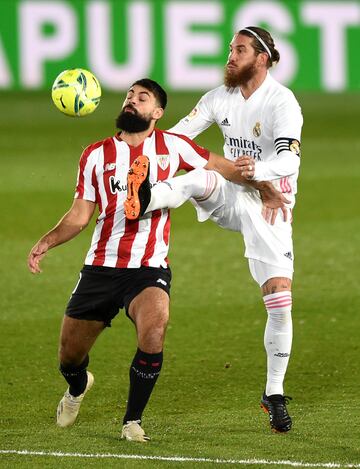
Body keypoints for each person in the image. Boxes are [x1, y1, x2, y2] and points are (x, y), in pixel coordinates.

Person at [27, 78, 285, 442]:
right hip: (101, 267)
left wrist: (264, 187)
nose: (132, 100)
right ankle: (78, 386)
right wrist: (47, 241)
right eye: (130, 95)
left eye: (141, 97)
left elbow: (222, 166)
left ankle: (132, 421)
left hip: (148, 268)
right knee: (69, 358)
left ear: (157, 113)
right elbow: (80, 214)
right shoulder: (96, 154)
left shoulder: (172, 146)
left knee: (154, 330)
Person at [124, 27, 303, 433]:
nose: (230, 56)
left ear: (262, 58)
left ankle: (273, 393)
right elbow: (177, 138)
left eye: (239, 50)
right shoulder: (218, 98)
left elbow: (288, 162)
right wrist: (138, 147)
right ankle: (143, 200)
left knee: (279, 298)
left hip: (271, 203)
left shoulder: (282, 102)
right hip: (230, 189)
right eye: (229, 49)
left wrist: (258, 171)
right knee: (193, 177)